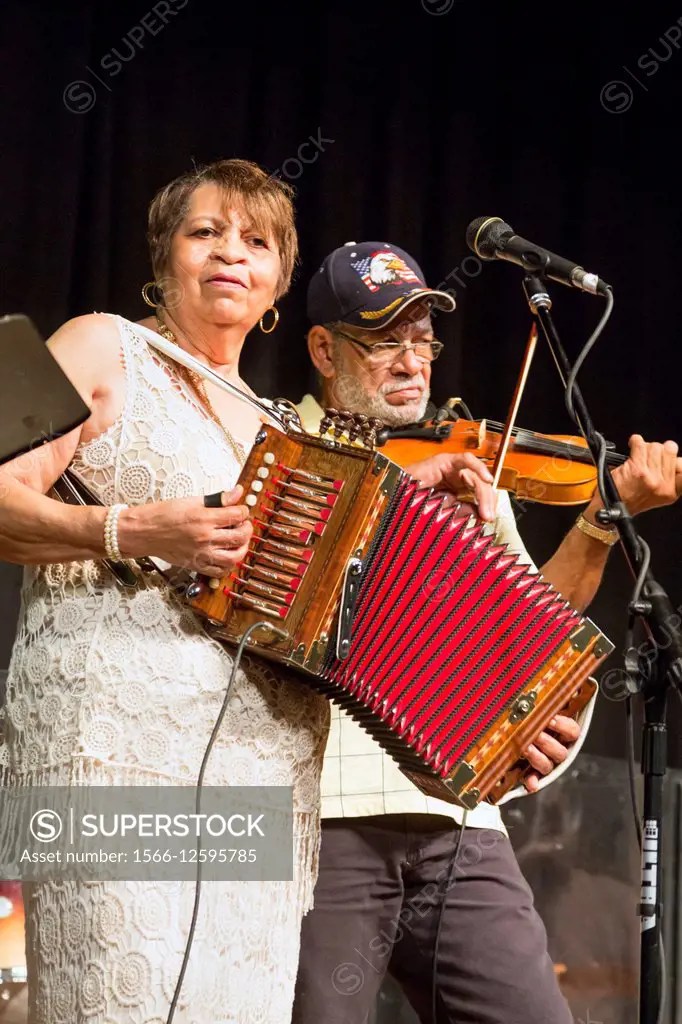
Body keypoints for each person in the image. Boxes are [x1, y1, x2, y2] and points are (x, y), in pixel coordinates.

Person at [0, 169, 501, 1024]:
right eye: (206, 234)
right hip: (109, 757)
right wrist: (134, 529)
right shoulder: (100, 344)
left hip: (261, 790)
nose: (231, 253)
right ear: (164, 258)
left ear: (275, 287)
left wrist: (425, 484)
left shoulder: (275, 427)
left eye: (257, 242)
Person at [292, 240, 681, 1024]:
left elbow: (532, 633)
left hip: (462, 826)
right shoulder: (282, 454)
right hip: (324, 820)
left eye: (423, 341)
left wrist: (603, 521)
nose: (412, 362)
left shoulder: (469, 480)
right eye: (384, 340)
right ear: (324, 350)